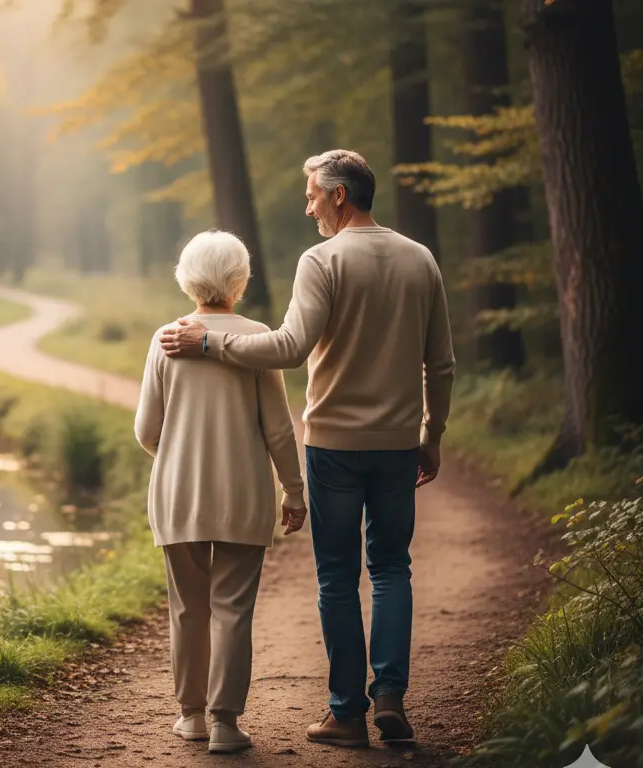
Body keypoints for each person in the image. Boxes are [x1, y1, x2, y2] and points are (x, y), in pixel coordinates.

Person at [159, 149, 456, 748]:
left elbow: (290, 347)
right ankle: (391, 696)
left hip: (334, 446)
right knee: (394, 568)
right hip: (399, 443)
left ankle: (346, 714)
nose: (309, 205)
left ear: (339, 196)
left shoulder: (322, 259)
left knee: (338, 578)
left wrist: (211, 343)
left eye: (314, 195)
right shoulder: (420, 259)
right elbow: (441, 363)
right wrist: (432, 434)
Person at [134, 229, 308, 754]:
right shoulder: (256, 336)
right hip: (244, 496)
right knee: (232, 608)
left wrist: (179, 449)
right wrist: (294, 491)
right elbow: (279, 428)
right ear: (240, 279)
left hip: (178, 495)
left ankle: (190, 716)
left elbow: (147, 430)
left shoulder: (167, 337)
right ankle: (226, 723)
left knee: (187, 608)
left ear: (187, 279)